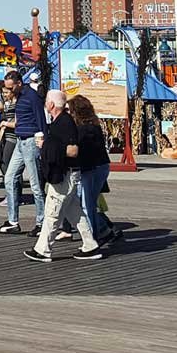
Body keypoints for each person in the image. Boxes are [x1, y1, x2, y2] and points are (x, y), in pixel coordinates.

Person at [25, 90, 103, 262]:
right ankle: (90, 246)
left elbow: (73, 151)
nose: (45, 104)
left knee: (52, 212)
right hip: (65, 174)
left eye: (46, 101)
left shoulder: (64, 123)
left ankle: (43, 250)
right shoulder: (58, 122)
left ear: (51, 104)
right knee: (74, 211)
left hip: (64, 175)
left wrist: (46, 146)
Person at [0, 69, 47, 235]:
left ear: (19, 84)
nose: (9, 91)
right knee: (9, 177)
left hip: (31, 141)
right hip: (20, 140)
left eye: (11, 88)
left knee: (35, 185)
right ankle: (13, 221)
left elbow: (41, 118)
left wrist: (43, 140)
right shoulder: (19, 96)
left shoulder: (32, 97)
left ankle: (41, 222)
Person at [66, 95, 116, 244]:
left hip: (91, 168)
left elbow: (80, 150)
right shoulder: (93, 125)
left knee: (87, 205)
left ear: (76, 111)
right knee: (90, 203)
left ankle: (92, 239)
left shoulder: (83, 129)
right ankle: (101, 231)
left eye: (70, 110)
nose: (68, 113)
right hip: (100, 166)